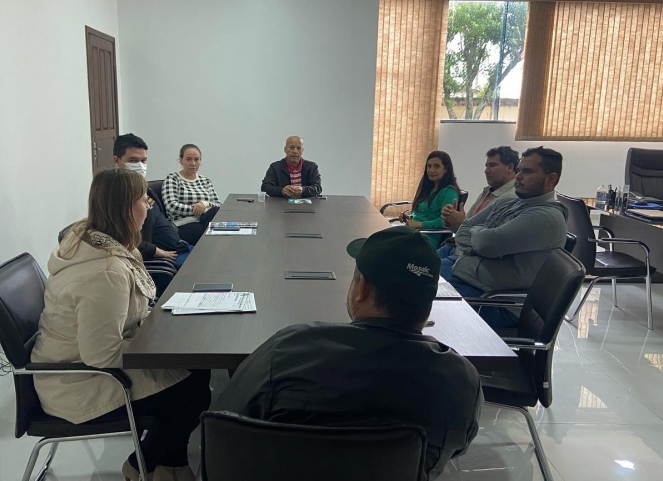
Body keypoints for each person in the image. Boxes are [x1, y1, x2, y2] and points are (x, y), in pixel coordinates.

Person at [216, 226, 482, 480]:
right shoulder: (461, 381)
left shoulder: (288, 349)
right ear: (429, 300)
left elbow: (225, 425)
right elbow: (456, 447)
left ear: (361, 288)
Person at [31, 168, 210, 481]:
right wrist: (161, 344)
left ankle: (161, 464)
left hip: (80, 364)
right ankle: (157, 464)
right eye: (144, 200)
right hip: (81, 383)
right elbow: (100, 355)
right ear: (127, 208)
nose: (148, 207)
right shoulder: (106, 272)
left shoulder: (102, 246)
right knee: (192, 391)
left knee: (195, 372)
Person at [444, 147, 568, 326]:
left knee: (419, 302)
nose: (518, 176)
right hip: (471, 281)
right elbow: (465, 228)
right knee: (412, 279)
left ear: (551, 179)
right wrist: (481, 240)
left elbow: (486, 244)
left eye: (528, 171)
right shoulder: (509, 201)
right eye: (519, 170)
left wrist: (480, 239)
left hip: (496, 303)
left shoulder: (544, 217)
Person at [437, 146, 519, 277]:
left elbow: (487, 242)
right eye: (486, 166)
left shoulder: (511, 198)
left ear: (510, 167)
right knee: (411, 264)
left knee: (420, 274)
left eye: (492, 165)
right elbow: (466, 227)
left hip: (468, 259)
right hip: (455, 248)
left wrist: (460, 224)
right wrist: (451, 221)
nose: (487, 171)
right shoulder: (489, 191)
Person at [113, 133, 193, 267]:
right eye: (133, 161)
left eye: (143, 161)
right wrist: (157, 252)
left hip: (180, 248)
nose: (140, 166)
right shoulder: (116, 195)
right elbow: (124, 240)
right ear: (117, 161)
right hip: (165, 259)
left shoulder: (144, 188)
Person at [398, 151, 460, 248]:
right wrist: (410, 218)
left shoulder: (449, 192)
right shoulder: (427, 189)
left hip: (427, 238)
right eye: (429, 166)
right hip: (414, 233)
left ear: (446, 169)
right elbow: (424, 214)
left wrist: (420, 224)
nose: (431, 170)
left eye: (436, 166)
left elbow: (446, 222)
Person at [162, 144, 221, 245]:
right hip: (182, 224)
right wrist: (198, 210)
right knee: (208, 233)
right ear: (181, 160)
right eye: (188, 159)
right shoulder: (173, 178)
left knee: (215, 213)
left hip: (205, 220)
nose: (193, 163)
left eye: (196, 159)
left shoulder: (205, 180)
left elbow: (218, 204)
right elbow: (171, 206)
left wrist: (204, 204)